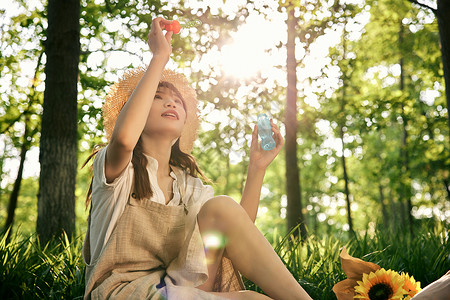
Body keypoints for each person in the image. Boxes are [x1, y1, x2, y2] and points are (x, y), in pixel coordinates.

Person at [82, 17, 313, 300]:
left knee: (224, 211)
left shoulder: (187, 185)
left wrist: (257, 168)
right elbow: (124, 139)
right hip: (122, 292)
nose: (171, 102)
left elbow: (232, 235)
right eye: (158, 96)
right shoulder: (118, 168)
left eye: (177, 101)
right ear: (137, 112)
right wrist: (159, 58)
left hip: (175, 287)